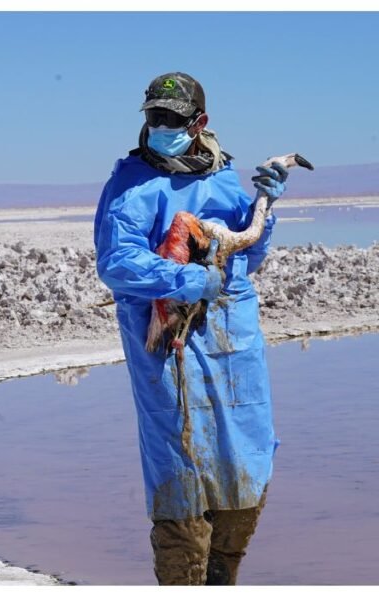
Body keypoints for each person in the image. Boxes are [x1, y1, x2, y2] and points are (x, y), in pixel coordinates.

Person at [93, 73, 289, 585]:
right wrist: (185, 279)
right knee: (178, 464)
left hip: (233, 341)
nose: (159, 126)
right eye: (152, 117)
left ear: (198, 123)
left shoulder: (224, 176)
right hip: (166, 345)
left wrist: (265, 211)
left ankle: (224, 576)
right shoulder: (129, 184)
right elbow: (117, 262)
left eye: (171, 119)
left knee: (244, 455)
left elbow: (250, 254)